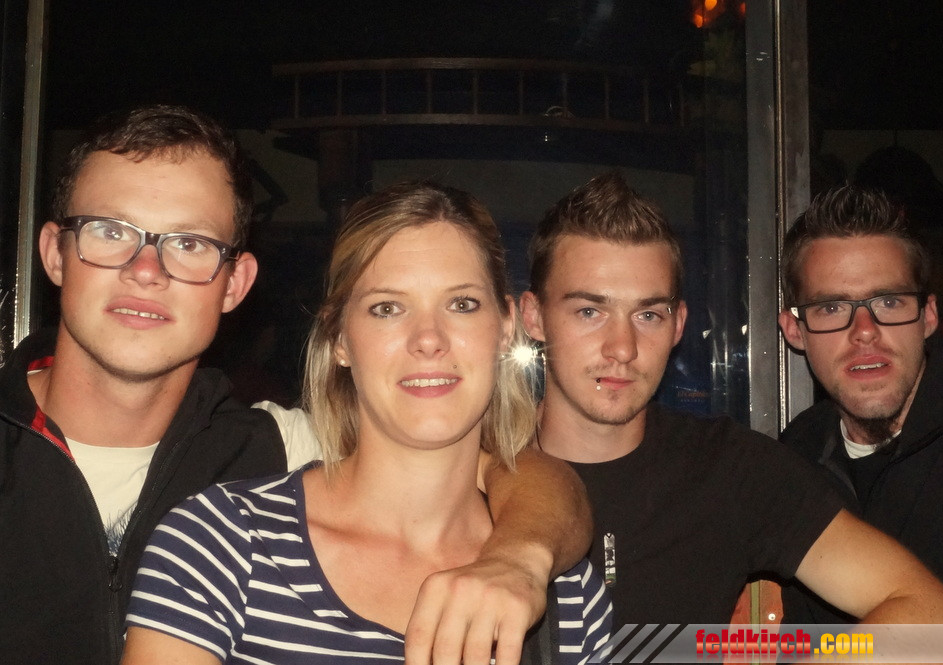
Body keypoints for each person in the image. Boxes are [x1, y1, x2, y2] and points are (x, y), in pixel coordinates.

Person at [0, 106, 592, 665]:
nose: (146, 270)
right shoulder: (222, 530)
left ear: (236, 283)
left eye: (189, 243)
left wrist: (519, 558)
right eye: (110, 231)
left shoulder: (271, 442)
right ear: (54, 252)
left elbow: (514, 473)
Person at [121, 181, 613, 664]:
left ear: (505, 327)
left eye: (461, 304)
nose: (428, 339)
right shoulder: (223, 545)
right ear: (339, 339)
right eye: (387, 308)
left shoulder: (563, 592)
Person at [518, 172, 943, 627]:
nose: (623, 348)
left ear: (678, 325)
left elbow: (936, 620)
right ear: (534, 317)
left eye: (649, 314)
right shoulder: (484, 468)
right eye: (589, 311)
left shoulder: (730, 468)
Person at [778, 184, 943, 623]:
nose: (864, 330)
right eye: (832, 307)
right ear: (794, 331)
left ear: (928, 316)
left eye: (889, 301)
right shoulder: (793, 457)